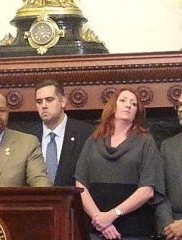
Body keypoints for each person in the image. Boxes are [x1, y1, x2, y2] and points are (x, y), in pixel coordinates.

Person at [75, 88, 164, 239]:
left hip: (133, 230)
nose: (128, 105)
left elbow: (147, 190)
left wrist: (112, 215)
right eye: (123, 100)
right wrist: (100, 219)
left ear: (137, 112)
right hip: (96, 229)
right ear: (113, 106)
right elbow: (80, 184)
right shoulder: (94, 140)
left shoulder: (145, 141)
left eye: (134, 104)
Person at [34, 80, 94, 186]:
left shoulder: (86, 133)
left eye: (49, 100)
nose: (43, 106)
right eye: (39, 101)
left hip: (74, 200)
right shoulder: (29, 136)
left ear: (63, 102)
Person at [156, 93, 182, 240]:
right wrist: (169, 228)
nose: (180, 110)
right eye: (178, 105)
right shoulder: (168, 146)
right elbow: (160, 192)